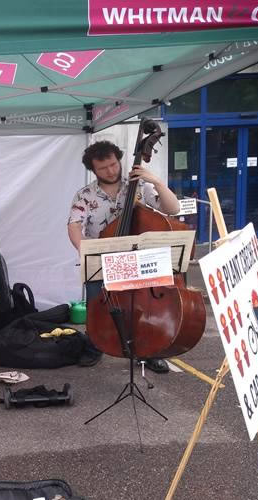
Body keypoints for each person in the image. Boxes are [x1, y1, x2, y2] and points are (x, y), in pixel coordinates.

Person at [67, 140, 181, 374]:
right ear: (93, 170)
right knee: (97, 305)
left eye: (113, 164)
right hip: (103, 258)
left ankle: (148, 351)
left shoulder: (138, 185)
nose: (111, 171)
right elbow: (74, 225)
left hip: (138, 259)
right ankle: (95, 345)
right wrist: (83, 248)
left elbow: (173, 209)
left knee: (145, 308)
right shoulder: (85, 195)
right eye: (103, 168)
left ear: (119, 160)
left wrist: (157, 182)